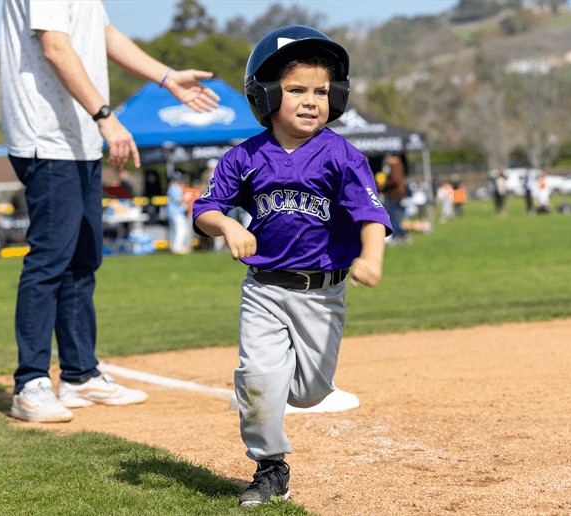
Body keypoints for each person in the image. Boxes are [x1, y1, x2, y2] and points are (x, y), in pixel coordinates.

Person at [190, 25, 390, 508]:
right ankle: (270, 467)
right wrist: (229, 228)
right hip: (264, 289)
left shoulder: (342, 156)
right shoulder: (244, 157)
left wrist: (371, 258)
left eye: (321, 91)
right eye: (296, 89)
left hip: (323, 293)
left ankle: (288, 401)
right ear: (265, 94)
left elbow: (371, 215)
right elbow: (204, 209)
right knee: (259, 377)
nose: (310, 101)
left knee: (307, 392)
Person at [0, 0, 222, 423]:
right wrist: (106, 116)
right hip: (47, 137)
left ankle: (80, 376)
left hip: (77, 137)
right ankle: (29, 384)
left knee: (84, 257)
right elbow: (55, 47)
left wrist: (167, 77)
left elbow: (105, 34)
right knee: (49, 259)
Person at [379, 155, 409, 243]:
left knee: (394, 215)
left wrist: (383, 185)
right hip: (399, 193)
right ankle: (401, 235)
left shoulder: (394, 165)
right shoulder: (399, 164)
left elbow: (394, 180)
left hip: (393, 194)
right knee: (397, 215)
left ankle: (397, 235)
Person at [166, 172, 192, 255]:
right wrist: (186, 197)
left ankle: (174, 247)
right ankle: (177, 247)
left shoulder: (171, 187)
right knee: (181, 230)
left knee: (174, 230)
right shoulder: (174, 187)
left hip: (173, 212)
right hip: (176, 212)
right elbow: (178, 200)